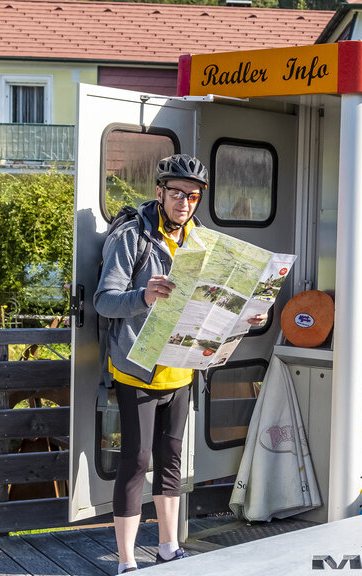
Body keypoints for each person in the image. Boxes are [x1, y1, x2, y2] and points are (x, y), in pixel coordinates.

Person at [94, 153, 265, 572]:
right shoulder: (132, 237)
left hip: (182, 366)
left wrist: (246, 314)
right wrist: (144, 296)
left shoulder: (203, 241)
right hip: (137, 367)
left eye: (192, 196)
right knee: (136, 460)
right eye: (176, 194)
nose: (184, 202)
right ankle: (127, 560)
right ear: (159, 192)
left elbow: (213, 303)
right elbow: (103, 301)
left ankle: (169, 547)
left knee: (172, 457)